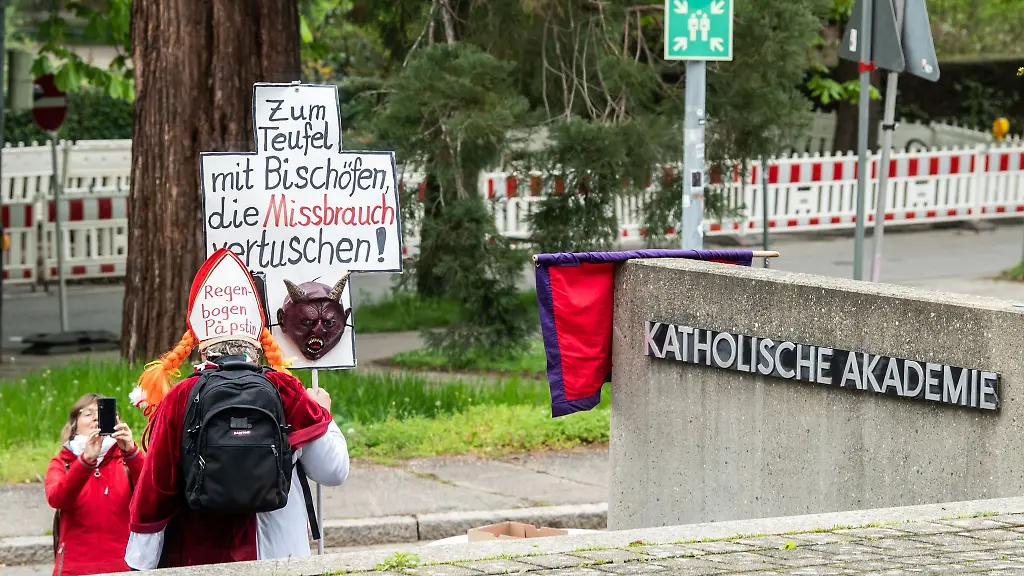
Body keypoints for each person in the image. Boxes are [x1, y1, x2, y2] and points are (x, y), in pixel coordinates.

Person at [123, 249, 350, 570]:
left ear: (200, 343)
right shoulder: (286, 390)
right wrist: (324, 415)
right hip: (280, 556)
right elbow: (333, 471)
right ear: (259, 340)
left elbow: (155, 489)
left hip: (203, 559)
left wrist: (140, 562)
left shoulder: (180, 397)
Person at [45, 394, 145, 576]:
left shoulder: (125, 460)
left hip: (122, 567)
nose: (95, 418)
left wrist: (131, 453)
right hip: (74, 568)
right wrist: (86, 462)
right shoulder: (63, 462)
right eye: (88, 413)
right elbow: (57, 499)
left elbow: (149, 494)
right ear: (74, 425)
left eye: (102, 412)